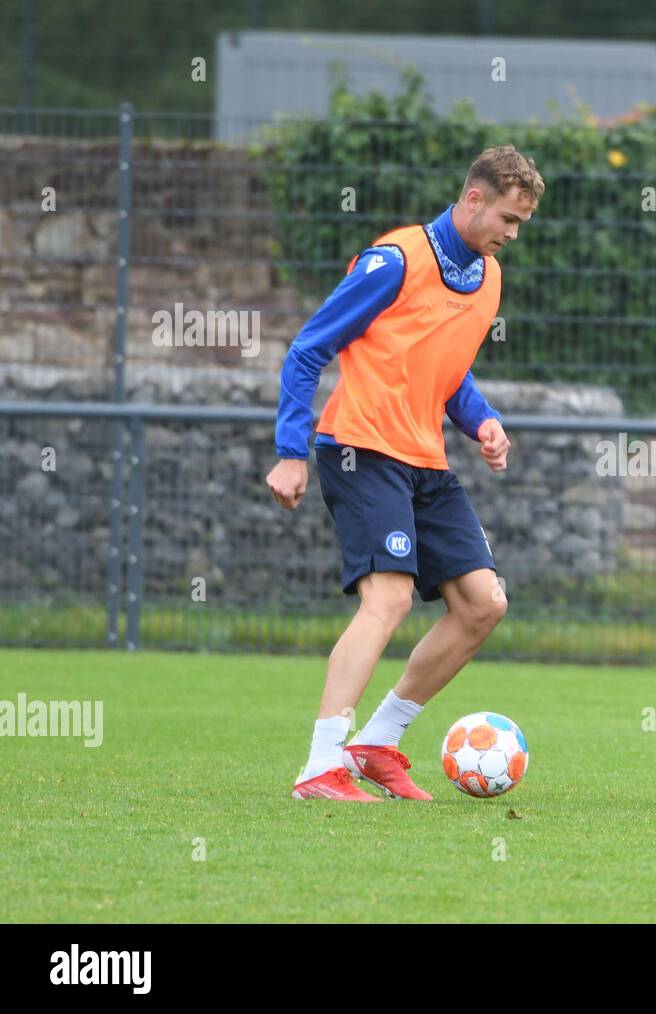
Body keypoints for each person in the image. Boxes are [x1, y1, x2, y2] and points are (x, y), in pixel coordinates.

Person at [265, 145, 544, 802]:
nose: (511, 233)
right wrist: (289, 449)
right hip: (361, 449)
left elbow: (447, 374)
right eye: (507, 217)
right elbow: (309, 349)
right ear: (473, 198)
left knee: (483, 605)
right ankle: (319, 766)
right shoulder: (395, 261)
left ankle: (377, 743)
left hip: (425, 461)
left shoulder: (489, 277)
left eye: (521, 224)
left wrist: (482, 421)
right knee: (387, 599)